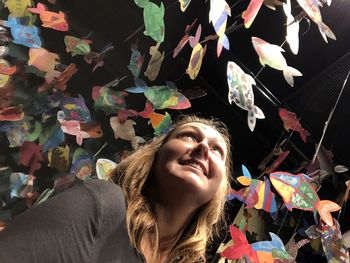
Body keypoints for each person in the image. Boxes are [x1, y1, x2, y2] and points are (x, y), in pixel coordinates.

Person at [0, 115, 232, 263]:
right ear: (155, 154)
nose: (202, 147)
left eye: (217, 151)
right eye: (189, 136)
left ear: (219, 189)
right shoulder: (103, 204)